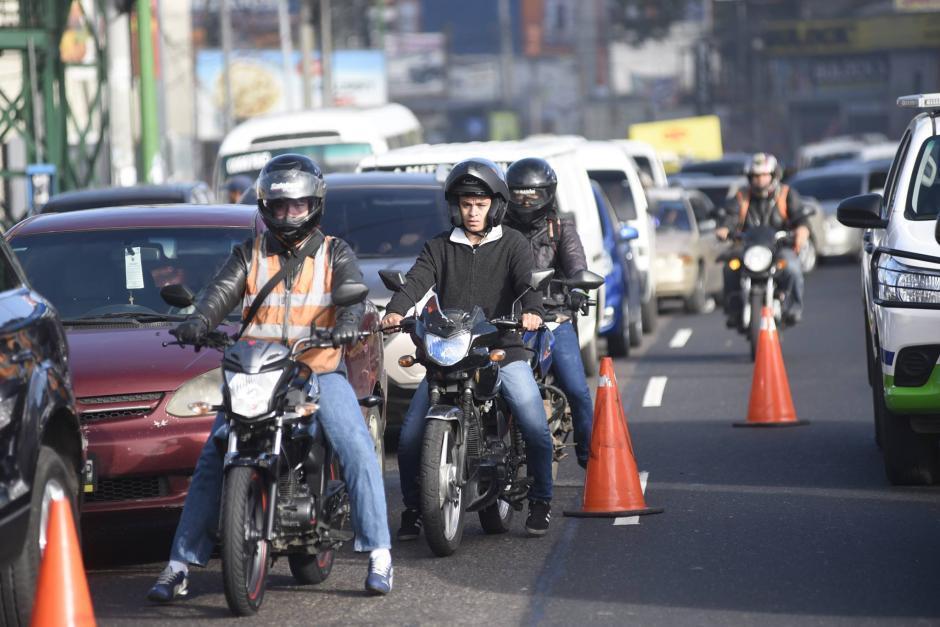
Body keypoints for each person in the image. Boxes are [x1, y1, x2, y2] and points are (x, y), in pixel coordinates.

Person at [147, 154, 393, 602]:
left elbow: (352, 296)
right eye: (278, 208)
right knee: (213, 457)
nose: (287, 215)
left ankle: (379, 553)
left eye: (296, 207)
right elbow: (218, 294)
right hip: (256, 373)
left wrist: (348, 321)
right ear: (265, 207)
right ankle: (178, 565)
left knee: (355, 445)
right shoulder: (249, 253)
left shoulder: (335, 252)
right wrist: (198, 321)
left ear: (314, 205)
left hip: (317, 369)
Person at [380, 158, 556, 538]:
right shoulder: (439, 247)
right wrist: (394, 311)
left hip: (501, 349)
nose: (473, 212)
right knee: (410, 437)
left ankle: (541, 500)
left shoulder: (514, 244)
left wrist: (532, 312)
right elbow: (414, 283)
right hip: (450, 352)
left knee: (533, 424)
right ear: (455, 207)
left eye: (480, 204)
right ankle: (414, 508)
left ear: (495, 206)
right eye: (466, 204)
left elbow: (528, 286)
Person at [504, 157, 595, 470]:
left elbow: (576, 264)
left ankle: (588, 456)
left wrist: (579, 290)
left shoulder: (561, 227)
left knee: (578, 391)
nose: (526, 202)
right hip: (510, 320)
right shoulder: (499, 228)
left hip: (554, 319)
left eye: (533, 196)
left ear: (548, 194)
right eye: (519, 195)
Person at [715, 152, 809, 325]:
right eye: (755, 176)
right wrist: (724, 229)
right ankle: (734, 310)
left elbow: (801, 220)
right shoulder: (741, 197)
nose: (759, 180)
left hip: (779, 247)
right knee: (729, 268)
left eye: (764, 175)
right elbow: (730, 217)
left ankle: (794, 308)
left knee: (793, 268)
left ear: (774, 175)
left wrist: (801, 232)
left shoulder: (786, 194)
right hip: (748, 248)